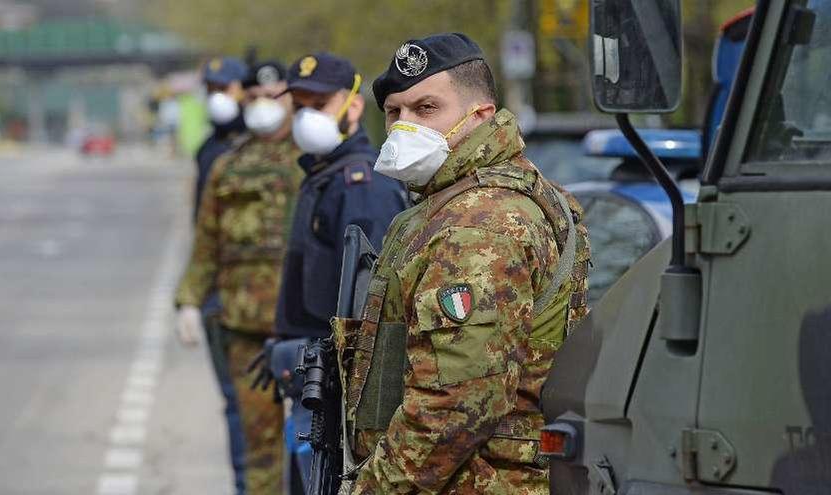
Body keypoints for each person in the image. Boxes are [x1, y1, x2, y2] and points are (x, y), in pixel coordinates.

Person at [335, 33, 591, 494]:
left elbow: (454, 404)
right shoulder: (503, 196)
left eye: (426, 108)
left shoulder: (477, 225)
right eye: (394, 112)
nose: (403, 126)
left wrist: (371, 489)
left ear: (481, 115)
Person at [268, 52, 409, 490]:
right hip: (313, 374)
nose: (307, 116)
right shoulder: (326, 174)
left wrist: (318, 354)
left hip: (336, 386)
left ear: (352, 106)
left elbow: (373, 301)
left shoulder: (361, 185)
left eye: (319, 104)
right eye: (300, 106)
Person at [175, 60, 300, 495]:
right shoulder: (227, 167)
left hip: (309, 327)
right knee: (259, 448)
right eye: (255, 99)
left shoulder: (318, 162)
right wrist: (189, 300)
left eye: (274, 96)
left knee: (319, 447)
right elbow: (207, 241)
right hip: (245, 327)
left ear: (291, 98)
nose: (265, 106)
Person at [193, 57, 250, 221]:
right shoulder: (206, 147)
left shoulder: (257, 141)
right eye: (210, 90)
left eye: (223, 88)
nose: (216, 97)